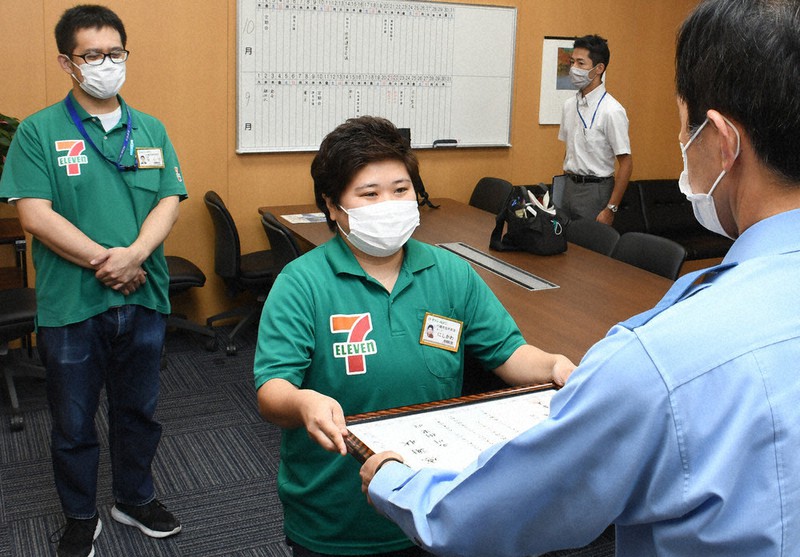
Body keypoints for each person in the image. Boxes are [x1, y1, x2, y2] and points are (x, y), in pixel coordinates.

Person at [360, 1, 800, 555]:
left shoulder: (658, 361)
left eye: (683, 126)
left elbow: (499, 514)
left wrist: (400, 482)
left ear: (719, 140)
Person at [253, 115, 574, 557]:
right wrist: (302, 401)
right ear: (332, 205)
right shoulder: (302, 283)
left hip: (432, 502)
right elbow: (272, 390)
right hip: (337, 516)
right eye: (369, 194)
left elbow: (507, 352)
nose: (389, 203)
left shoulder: (450, 272)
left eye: (401, 190)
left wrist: (553, 365)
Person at [0, 5, 186, 556]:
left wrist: (135, 257)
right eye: (92, 55)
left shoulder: (149, 128)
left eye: (116, 53)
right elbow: (35, 215)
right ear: (67, 61)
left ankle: (134, 498)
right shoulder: (39, 131)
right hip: (73, 303)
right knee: (74, 421)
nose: (107, 64)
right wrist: (109, 261)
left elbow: (169, 199)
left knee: (139, 411)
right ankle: (80, 512)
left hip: (144, 297)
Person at [558, 34, 632, 225]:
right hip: (569, 187)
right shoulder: (569, 105)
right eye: (573, 62)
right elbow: (569, 150)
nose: (574, 68)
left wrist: (611, 208)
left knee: (588, 250)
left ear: (599, 68)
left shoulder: (612, 110)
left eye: (581, 63)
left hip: (596, 190)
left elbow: (626, 163)